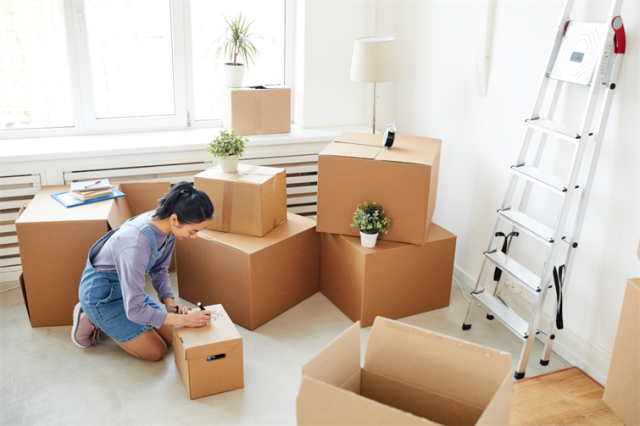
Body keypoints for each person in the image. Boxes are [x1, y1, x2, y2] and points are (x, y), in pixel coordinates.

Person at [71, 182, 214, 361]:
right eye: (193, 231)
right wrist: (185, 320)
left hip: (128, 292)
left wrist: (170, 305)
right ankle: (90, 317)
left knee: (171, 338)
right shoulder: (135, 243)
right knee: (156, 351)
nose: (193, 237)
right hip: (102, 299)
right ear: (175, 219)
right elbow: (135, 311)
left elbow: (159, 269)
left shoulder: (167, 227)